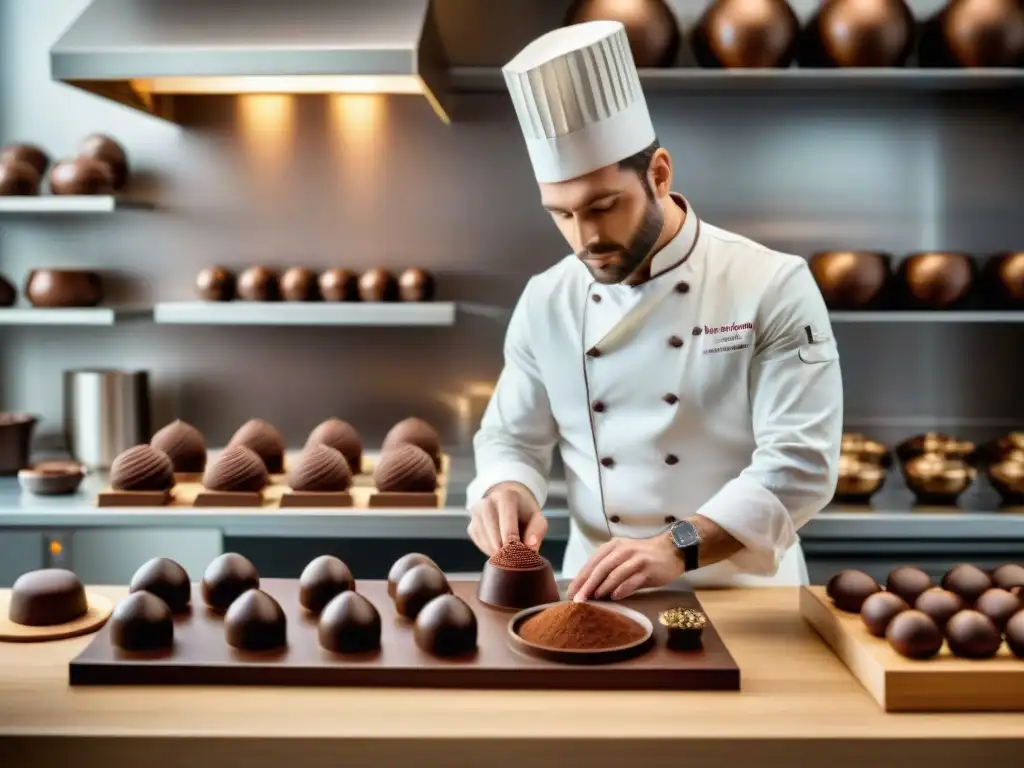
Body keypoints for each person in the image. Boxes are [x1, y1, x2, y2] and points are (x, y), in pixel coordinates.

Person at [466, 20, 843, 599]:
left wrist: (675, 548)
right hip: (595, 596)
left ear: (659, 174)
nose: (585, 237)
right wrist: (506, 493)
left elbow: (800, 466)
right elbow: (512, 440)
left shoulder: (770, 283)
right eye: (561, 214)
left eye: (604, 206)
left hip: (746, 597)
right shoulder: (547, 299)